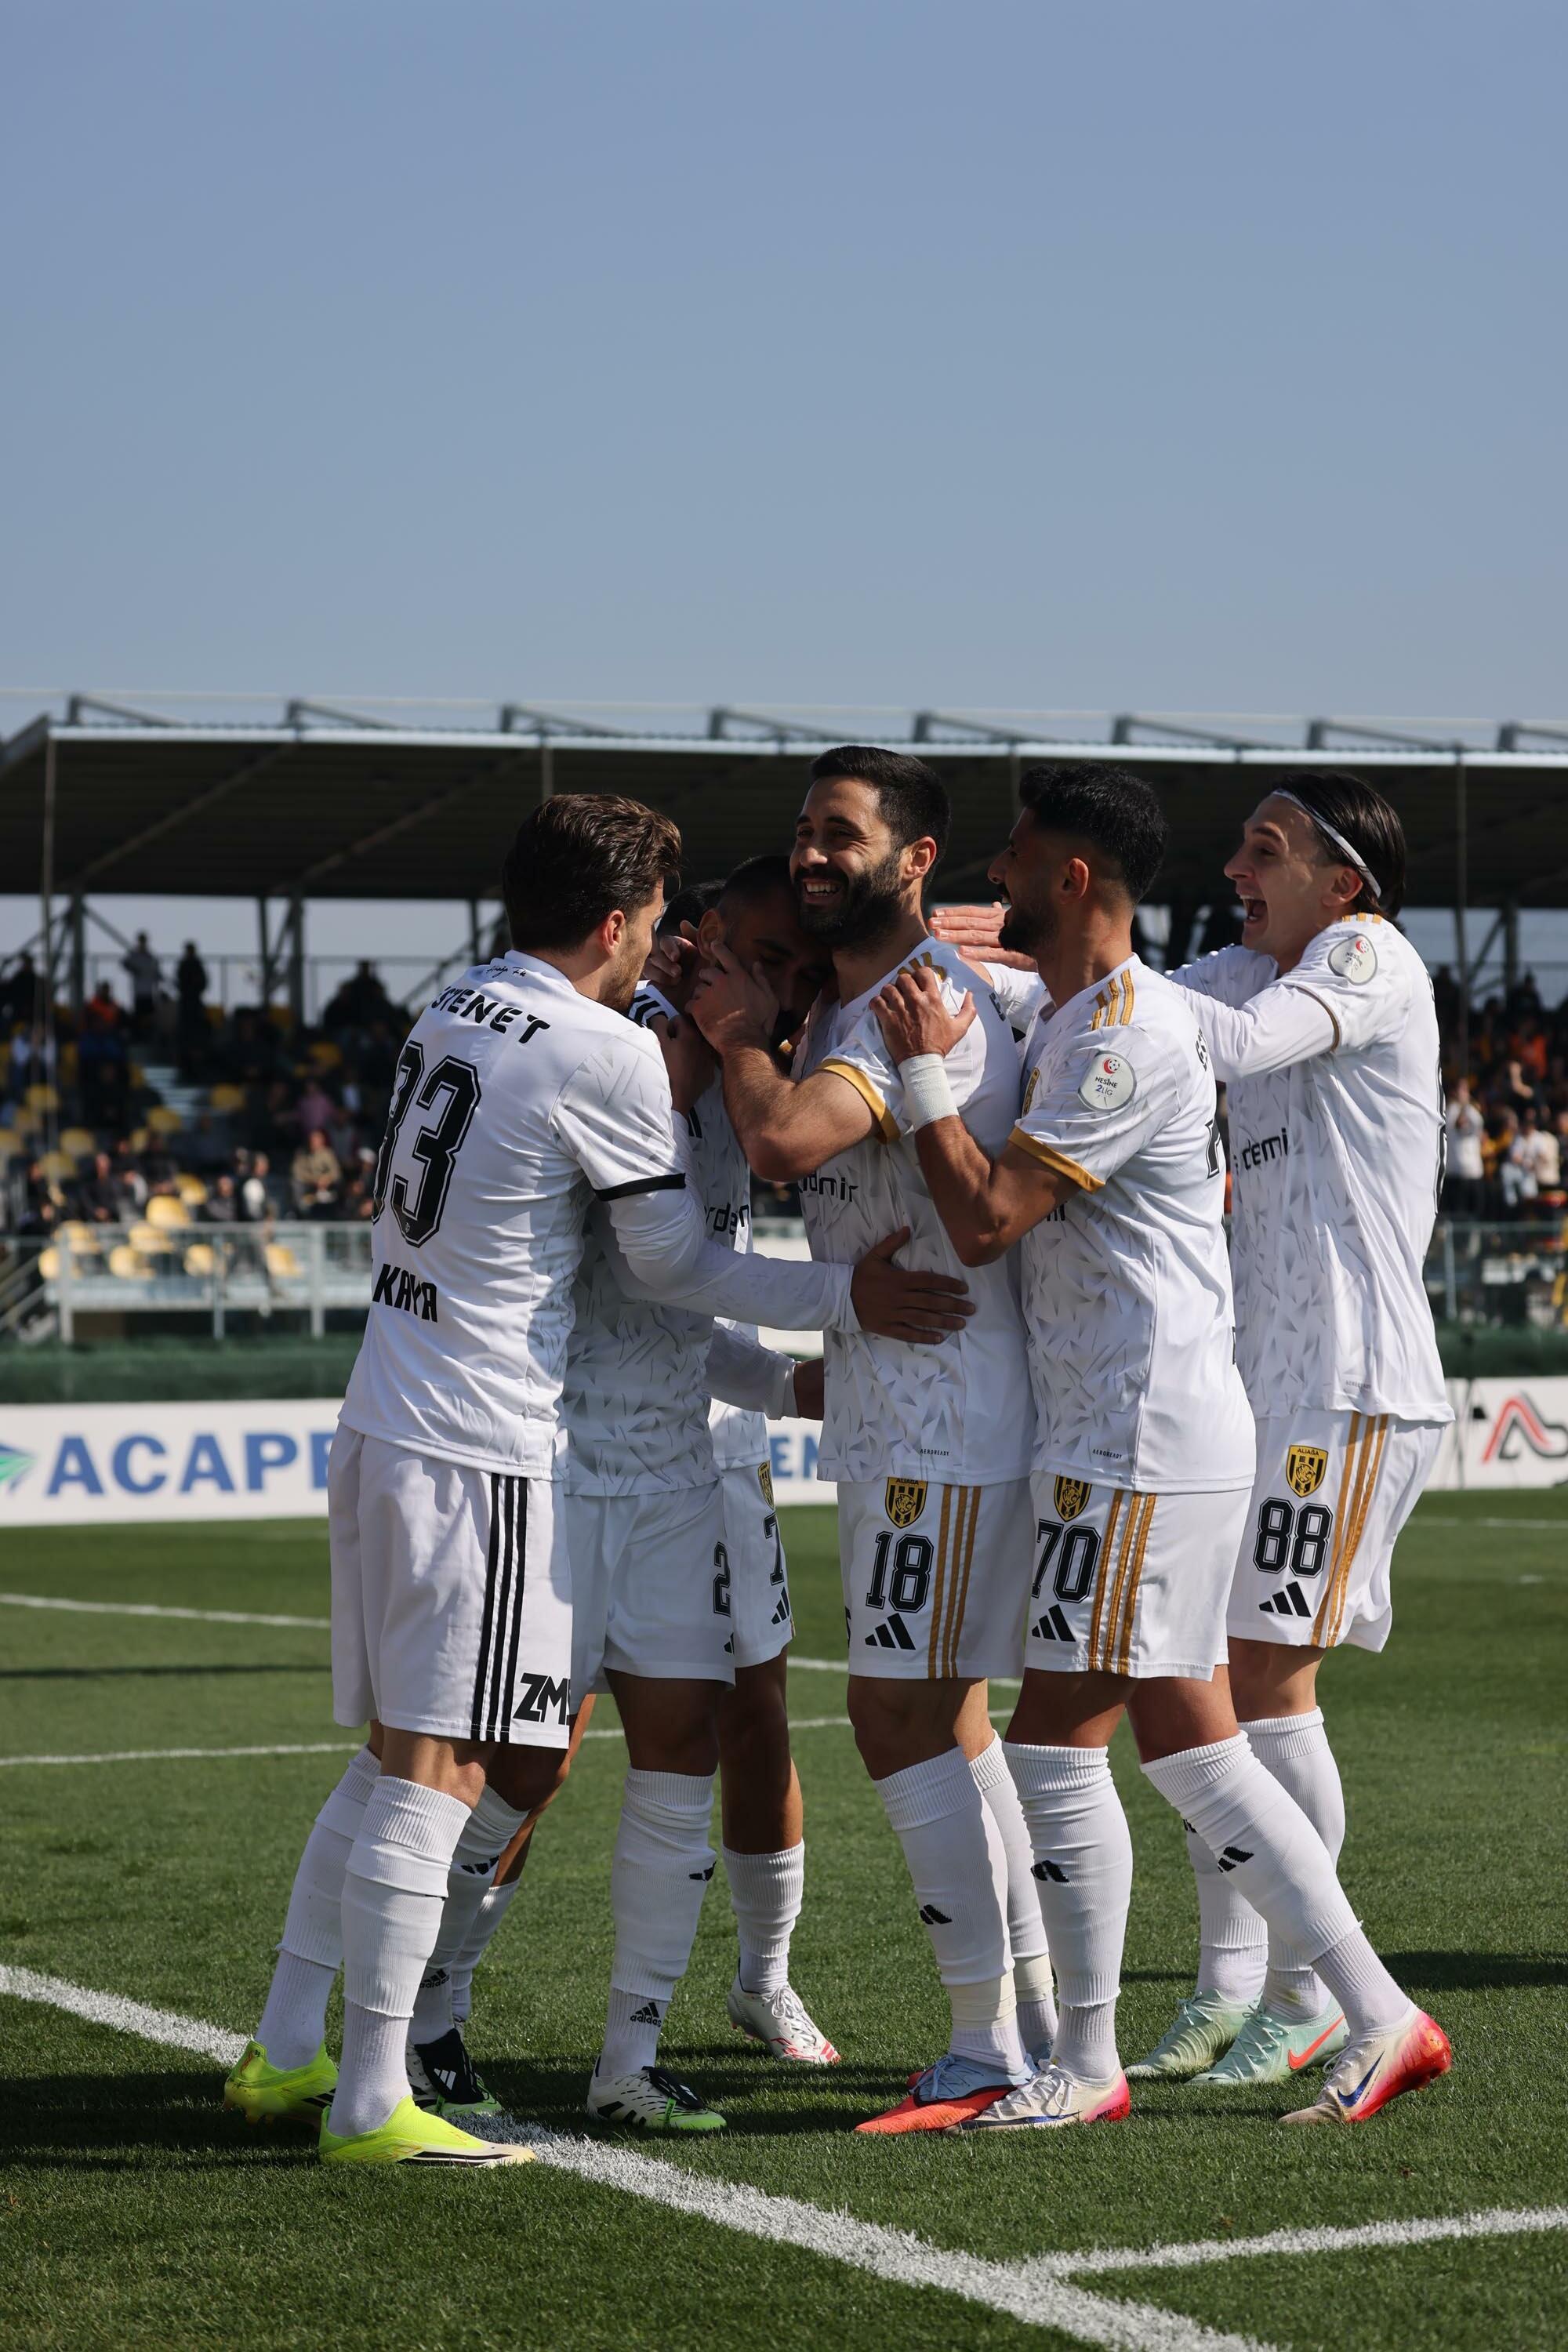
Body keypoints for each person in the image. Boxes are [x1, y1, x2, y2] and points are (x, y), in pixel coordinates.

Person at [223, 793, 963, 2169]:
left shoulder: (457, 1004)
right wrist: (846, 1303)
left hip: (400, 1412)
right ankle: (377, 2091)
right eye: (679, 933)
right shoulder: (611, 1051)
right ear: (633, 927)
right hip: (495, 1441)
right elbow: (670, 1263)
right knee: (449, 1766)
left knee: (410, 1755)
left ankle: (294, 2049)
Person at [873, 761, 1450, 2131]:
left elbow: (1186, 1037)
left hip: (1325, 1378)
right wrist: (1022, 966)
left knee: (1204, 1702)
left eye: (1268, 848)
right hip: (1218, 1387)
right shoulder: (1196, 988)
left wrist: (972, 1023)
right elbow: (1153, 997)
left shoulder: (1356, 957)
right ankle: (1337, 2002)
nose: (1237, 869)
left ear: (1344, 882)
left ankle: (1231, 2017)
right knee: (1207, 1719)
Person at [691, 748, 1056, 2136]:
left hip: (940, 1415)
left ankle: (984, 2048)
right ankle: (1028, 2022)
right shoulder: (857, 1003)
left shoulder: (918, 1004)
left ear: (916, 860)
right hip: (907, 1409)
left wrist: (737, 1029)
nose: (810, 853)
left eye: (840, 834)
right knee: (949, 1723)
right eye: (802, 830)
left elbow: (786, 1145)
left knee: (894, 1716)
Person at [1443, 1078, 1486, 1218]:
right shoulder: (1450, 1111)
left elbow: (1478, 1123)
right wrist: (1460, 1105)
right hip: (1454, 1175)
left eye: (1465, 1090)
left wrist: (1466, 1105)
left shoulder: (1472, 1112)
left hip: (1474, 1174)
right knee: (1456, 1216)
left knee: (1475, 1216)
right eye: (1460, 1090)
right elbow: (1451, 1123)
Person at [290, 1128, 343, 1217]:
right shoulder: (301, 1153)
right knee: (295, 1183)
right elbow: (296, 1172)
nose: (313, 1143)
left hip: (326, 1185)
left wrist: (327, 1179)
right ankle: (301, 1211)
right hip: (309, 1184)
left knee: (339, 1181)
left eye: (316, 1141)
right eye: (312, 1140)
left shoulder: (328, 1154)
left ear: (322, 1142)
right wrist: (314, 1180)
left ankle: (340, 1209)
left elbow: (336, 1172)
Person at [122, 932, 161, 1036]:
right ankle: (139, 1035)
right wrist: (134, 969)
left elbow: (156, 972)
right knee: (139, 1015)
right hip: (138, 991)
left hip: (148, 991)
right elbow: (125, 963)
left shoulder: (150, 956)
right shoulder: (134, 955)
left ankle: (147, 1034)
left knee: (149, 1015)